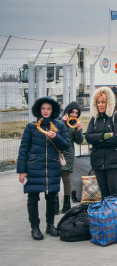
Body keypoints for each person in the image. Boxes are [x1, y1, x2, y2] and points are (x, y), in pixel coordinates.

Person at [17, 97, 70, 240]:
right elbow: (23, 150)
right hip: (34, 167)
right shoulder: (31, 126)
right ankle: (34, 227)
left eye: (49, 109)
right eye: (43, 108)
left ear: (53, 110)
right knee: (33, 197)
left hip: (52, 167)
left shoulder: (59, 125)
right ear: (38, 110)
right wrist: (22, 171)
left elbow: (66, 145)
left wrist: (56, 137)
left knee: (52, 197)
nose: (46, 111)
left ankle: (50, 225)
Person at [85, 87, 117, 199]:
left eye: (103, 102)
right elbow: (88, 137)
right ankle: (107, 216)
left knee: (114, 191)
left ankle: (116, 216)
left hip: (115, 161)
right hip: (98, 161)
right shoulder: (94, 119)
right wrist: (106, 135)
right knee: (104, 192)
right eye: (98, 102)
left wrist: (97, 141)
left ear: (110, 103)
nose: (100, 105)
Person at [59, 101, 84, 214]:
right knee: (55, 178)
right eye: (72, 112)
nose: (74, 114)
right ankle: (54, 203)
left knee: (67, 179)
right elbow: (55, 132)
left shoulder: (75, 124)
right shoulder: (59, 121)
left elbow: (79, 141)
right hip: (56, 152)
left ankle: (66, 202)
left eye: (76, 113)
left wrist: (79, 131)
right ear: (67, 112)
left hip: (68, 154)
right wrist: (63, 122)